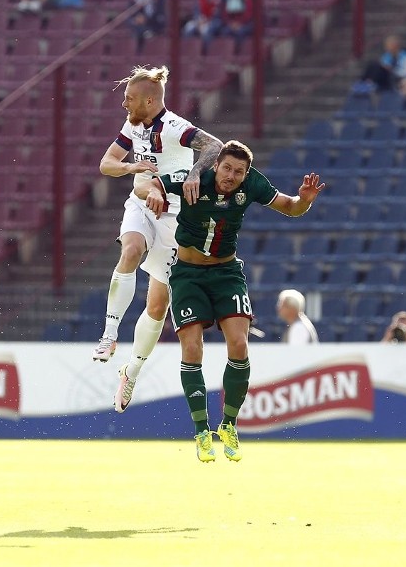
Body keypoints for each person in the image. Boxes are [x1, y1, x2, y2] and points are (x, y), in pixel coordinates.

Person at [136, 140, 324, 462]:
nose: (231, 176)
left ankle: (229, 425)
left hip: (226, 274)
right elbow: (148, 185)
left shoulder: (252, 184)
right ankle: (200, 430)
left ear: (246, 174)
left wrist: (304, 201)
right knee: (192, 348)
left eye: (239, 171)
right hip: (188, 274)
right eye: (227, 168)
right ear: (216, 165)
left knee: (239, 345)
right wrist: (154, 192)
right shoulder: (195, 179)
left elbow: (290, 207)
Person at [93, 65, 224, 417]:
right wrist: (132, 170)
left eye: (130, 99)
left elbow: (216, 146)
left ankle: (131, 371)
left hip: (173, 218)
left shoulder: (176, 128)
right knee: (131, 250)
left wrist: (196, 173)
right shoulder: (132, 126)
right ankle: (108, 334)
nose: (124, 104)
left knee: (157, 306)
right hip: (141, 206)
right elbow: (107, 164)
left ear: (150, 101)